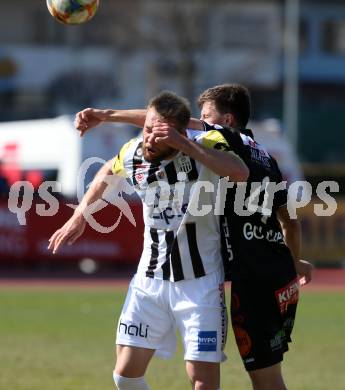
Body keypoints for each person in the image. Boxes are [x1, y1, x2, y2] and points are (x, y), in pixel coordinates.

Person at [74, 83, 313, 390]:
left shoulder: (224, 140)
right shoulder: (266, 157)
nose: (198, 122)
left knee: (263, 381)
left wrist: (108, 116)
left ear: (226, 120)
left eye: (205, 116)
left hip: (251, 280)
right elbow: (290, 222)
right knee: (268, 377)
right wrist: (294, 262)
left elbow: (170, 124)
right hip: (274, 271)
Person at [48, 91, 249, 390]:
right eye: (146, 129)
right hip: (149, 281)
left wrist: (183, 143)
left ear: (180, 134)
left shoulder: (205, 146)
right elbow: (107, 171)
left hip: (200, 284)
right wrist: (80, 215)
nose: (150, 139)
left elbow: (239, 172)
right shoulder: (132, 153)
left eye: (160, 133)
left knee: (203, 382)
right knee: (124, 375)